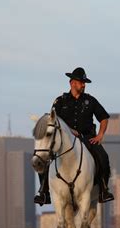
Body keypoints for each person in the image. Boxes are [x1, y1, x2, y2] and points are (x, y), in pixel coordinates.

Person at [34, 67, 114, 205]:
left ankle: (103, 190)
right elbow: (52, 121)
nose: (83, 85)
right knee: (44, 158)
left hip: (88, 138)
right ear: (72, 83)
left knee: (103, 157)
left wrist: (100, 135)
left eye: (84, 83)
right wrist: (70, 130)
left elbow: (104, 118)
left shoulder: (91, 100)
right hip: (65, 140)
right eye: (81, 82)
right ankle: (43, 191)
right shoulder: (60, 101)